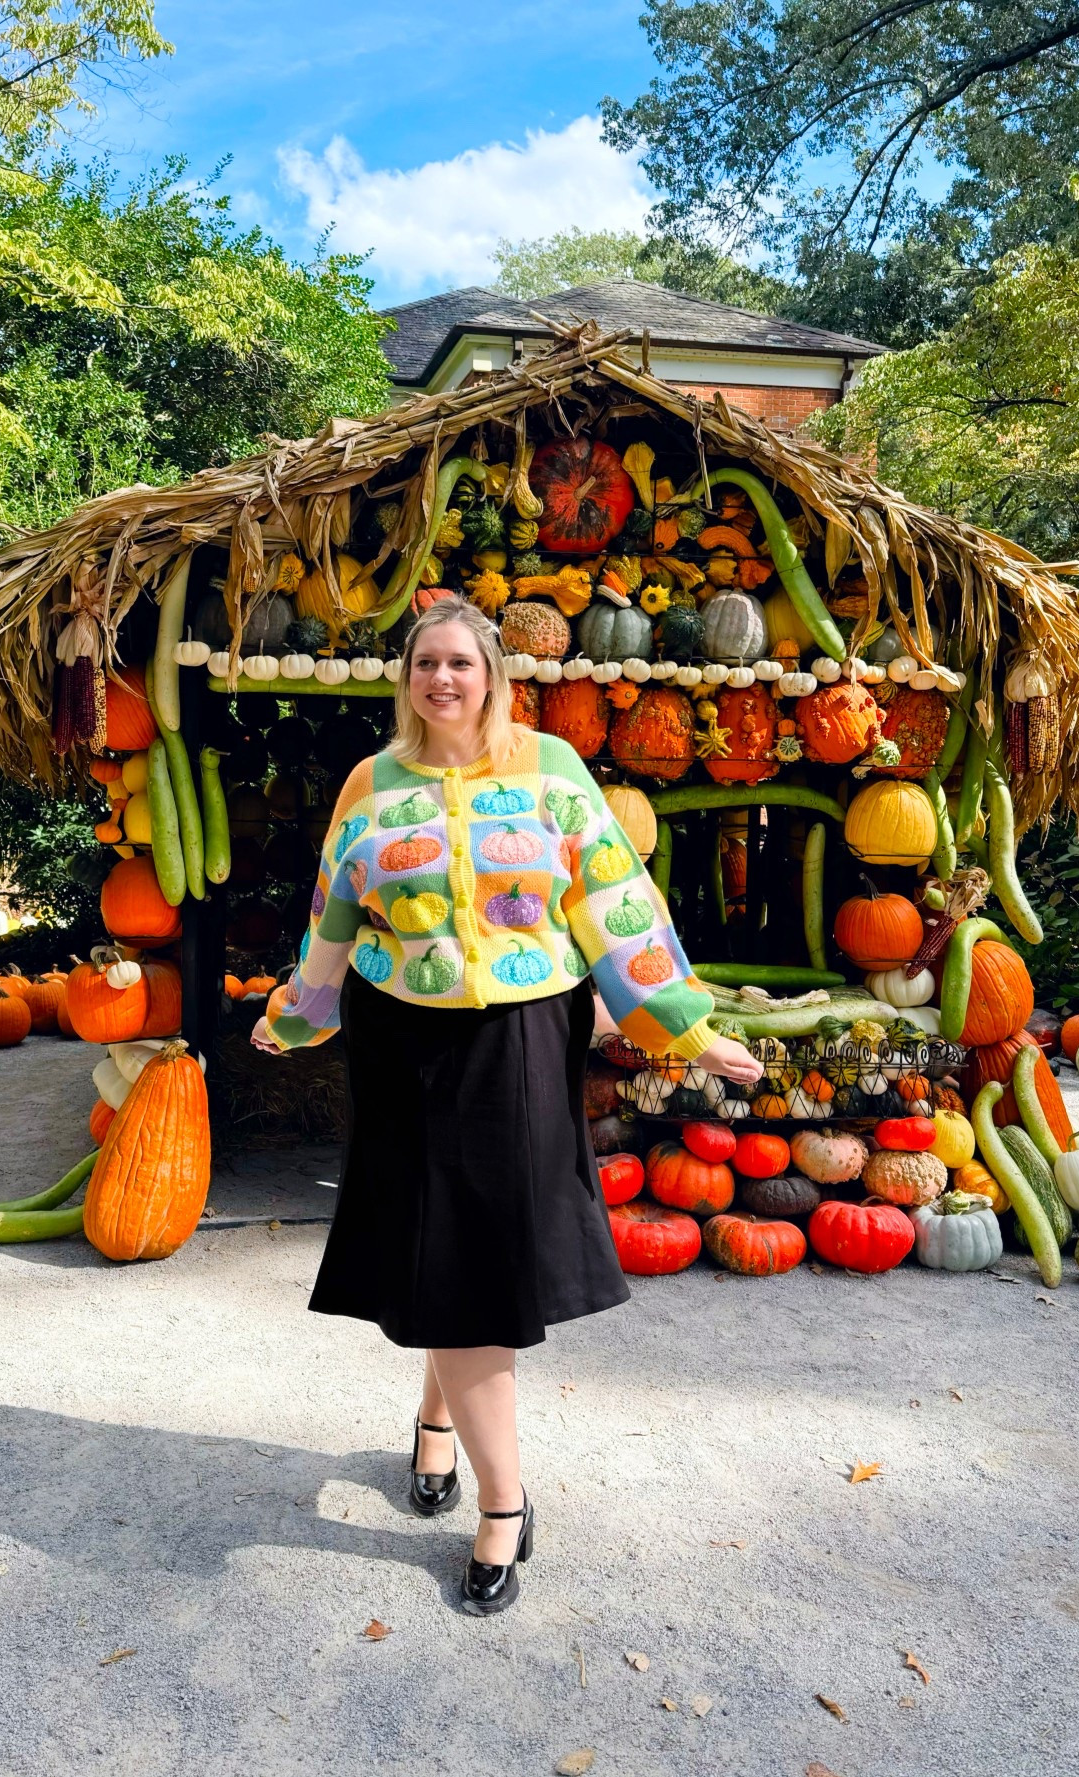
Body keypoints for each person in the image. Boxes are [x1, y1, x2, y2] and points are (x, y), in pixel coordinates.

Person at [251, 593, 762, 1615]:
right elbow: (334, 912)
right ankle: (502, 1500)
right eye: (425, 663)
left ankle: (444, 1432)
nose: (442, 679)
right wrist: (300, 1012)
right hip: (402, 1040)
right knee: (451, 1252)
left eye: (461, 663)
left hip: (522, 1038)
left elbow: (613, 901)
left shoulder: (549, 770)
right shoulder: (373, 780)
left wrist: (684, 1023)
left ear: (493, 674)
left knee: (477, 1250)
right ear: (407, 678)